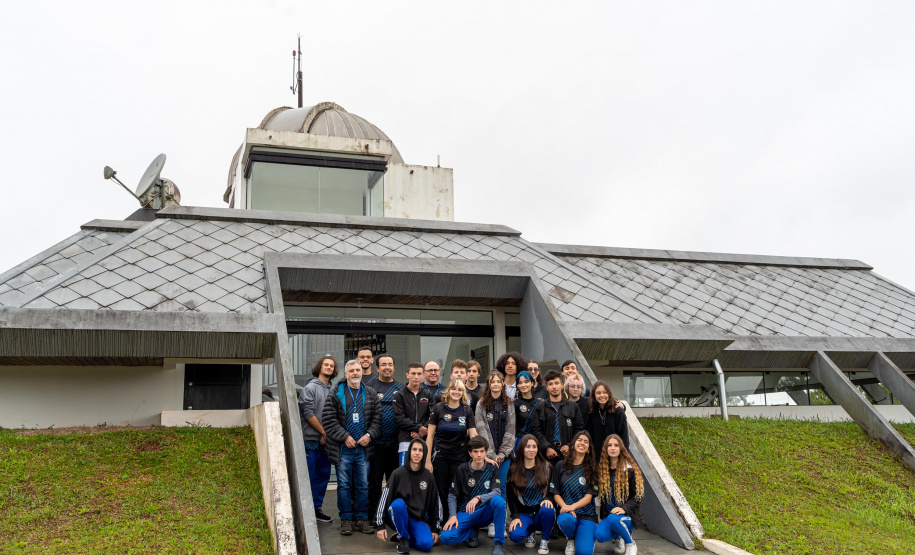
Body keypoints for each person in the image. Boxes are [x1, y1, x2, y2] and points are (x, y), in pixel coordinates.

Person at [322, 359, 382, 536]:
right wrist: (345, 437)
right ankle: (346, 519)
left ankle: (362, 519)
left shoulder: (370, 393)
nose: (355, 373)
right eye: (352, 370)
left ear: (361, 372)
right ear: (346, 374)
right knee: (344, 485)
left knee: (363, 485)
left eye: (358, 370)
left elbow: (377, 419)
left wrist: (369, 435)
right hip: (343, 449)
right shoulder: (336, 393)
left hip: (363, 448)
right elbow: (328, 419)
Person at [440, 436, 507, 555]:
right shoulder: (462, 469)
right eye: (475, 451)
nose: (479, 455)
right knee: (445, 537)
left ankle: (498, 543)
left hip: (484, 512)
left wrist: (478, 498)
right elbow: (452, 495)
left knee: (499, 501)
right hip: (466, 512)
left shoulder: (492, 468)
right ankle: (471, 533)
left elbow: (497, 492)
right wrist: (453, 515)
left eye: (482, 451)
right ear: (470, 453)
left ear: (486, 452)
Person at [426, 378, 479, 524]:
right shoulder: (438, 408)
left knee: (456, 489)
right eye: (454, 389)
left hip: (459, 456)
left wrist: (482, 455)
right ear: (448, 390)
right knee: (441, 489)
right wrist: (427, 460)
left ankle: (455, 519)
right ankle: (441, 521)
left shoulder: (467, 410)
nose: (456, 392)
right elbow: (430, 436)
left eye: (460, 390)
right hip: (440, 455)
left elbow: (473, 435)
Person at [375, 438, 441, 554]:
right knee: (398, 504)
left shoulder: (429, 477)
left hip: (417, 518)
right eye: (414, 449)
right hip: (399, 515)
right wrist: (380, 524)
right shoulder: (397, 474)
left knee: (427, 544)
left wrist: (435, 528)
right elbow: (384, 499)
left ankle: (406, 536)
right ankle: (403, 539)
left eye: (420, 450)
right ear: (409, 452)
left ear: (424, 453)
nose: (417, 453)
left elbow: (435, 502)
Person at [298, 355, 337, 523]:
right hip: (311, 440)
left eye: (331, 366)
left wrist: (328, 435)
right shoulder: (310, 388)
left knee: (323, 477)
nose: (328, 367)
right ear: (319, 367)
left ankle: (316, 509)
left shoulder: (334, 390)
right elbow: (308, 413)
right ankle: (304, 511)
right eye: (326, 364)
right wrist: (323, 432)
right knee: (309, 477)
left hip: (327, 442)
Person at [474, 371, 516, 525]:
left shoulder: (509, 403)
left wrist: (502, 454)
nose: (496, 384)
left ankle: (500, 520)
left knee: (502, 486)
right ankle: (489, 520)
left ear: (503, 384)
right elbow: (481, 428)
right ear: (489, 384)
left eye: (499, 381)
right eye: (493, 381)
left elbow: (511, 429)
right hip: (487, 455)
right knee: (487, 486)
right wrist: (491, 454)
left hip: (504, 456)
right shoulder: (481, 403)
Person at [368, 354, 405, 522]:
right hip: (375, 444)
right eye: (383, 364)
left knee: (393, 483)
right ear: (377, 368)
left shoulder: (401, 388)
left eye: (390, 364)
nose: (387, 367)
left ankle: (390, 516)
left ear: (394, 367)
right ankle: (373, 516)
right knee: (374, 483)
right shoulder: (370, 387)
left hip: (395, 444)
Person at [552, 431, 600, 555]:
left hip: (586, 515)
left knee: (584, 552)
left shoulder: (593, 469)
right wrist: (566, 507)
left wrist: (572, 507)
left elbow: (588, 498)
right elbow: (555, 493)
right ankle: (571, 539)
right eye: (579, 440)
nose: (582, 443)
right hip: (567, 513)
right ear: (573, 444)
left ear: (589, 449)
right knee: (564, 520)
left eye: (586, 442)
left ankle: (587, 536)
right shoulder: (560, 465)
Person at [594, 435, 644, 555]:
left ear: (621, 448)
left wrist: (624, 508)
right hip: (609, 515)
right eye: (609, 445)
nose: (613, 448)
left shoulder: (629, 469)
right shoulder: (602, 469)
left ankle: (630, 543)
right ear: (605, 449)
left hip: (627, 515)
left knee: (614, 519)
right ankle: (619, 536)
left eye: (616, 445)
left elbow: (637, 496)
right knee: (600, 535)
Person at [507, 434, 555, 555]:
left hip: (540, 513)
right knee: (515, 535)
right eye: (528, 446)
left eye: (534, 446)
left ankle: (545, 539)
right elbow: (511, 497)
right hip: (524, 514)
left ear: (538, 449)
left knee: (548, 509)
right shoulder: (514, 469)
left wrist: (548, 498)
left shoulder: (547, 467)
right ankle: (530, 532)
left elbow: (553, 490)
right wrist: (515, 516)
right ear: (522, 449)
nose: (531, 450)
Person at [531, 370, 585, 465]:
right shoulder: (540, 408)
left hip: (568, 454)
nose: (554, 387)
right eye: (550, 384)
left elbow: (579, 429)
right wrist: (546, 447)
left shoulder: (573, 407)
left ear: (562, 385)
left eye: (556, 383)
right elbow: (535, 430)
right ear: (546, 387)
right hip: (546, 456)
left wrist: (570, 445)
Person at [393, 362, 434, 465]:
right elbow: (399, 418)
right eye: (413, 373)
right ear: (407, 375)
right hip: (405, 440)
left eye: (419, 374)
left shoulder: (428, 395)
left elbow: (432, 417)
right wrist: (418, 427)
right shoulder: (399, 395)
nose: (416, 377)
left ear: (423, 375)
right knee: (405, 472)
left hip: (424, 440)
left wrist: (421, 432)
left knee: (421, 472)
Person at [585, 381, 629, 456]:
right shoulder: (591, 412)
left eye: (605, 392)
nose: (602, 395)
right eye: (598, 393)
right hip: (596, 456)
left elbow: (624, 437)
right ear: (594, 395)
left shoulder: (618, 412)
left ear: (609, 394)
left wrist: (623, 456)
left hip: (614, 456)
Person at [514, 371, 543, 451]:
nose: (523, 385)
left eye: (526, 382)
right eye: (520, 383)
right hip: (520, 442)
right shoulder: (515, 404)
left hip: (537, 441)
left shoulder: (540, 403)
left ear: (532, 383)